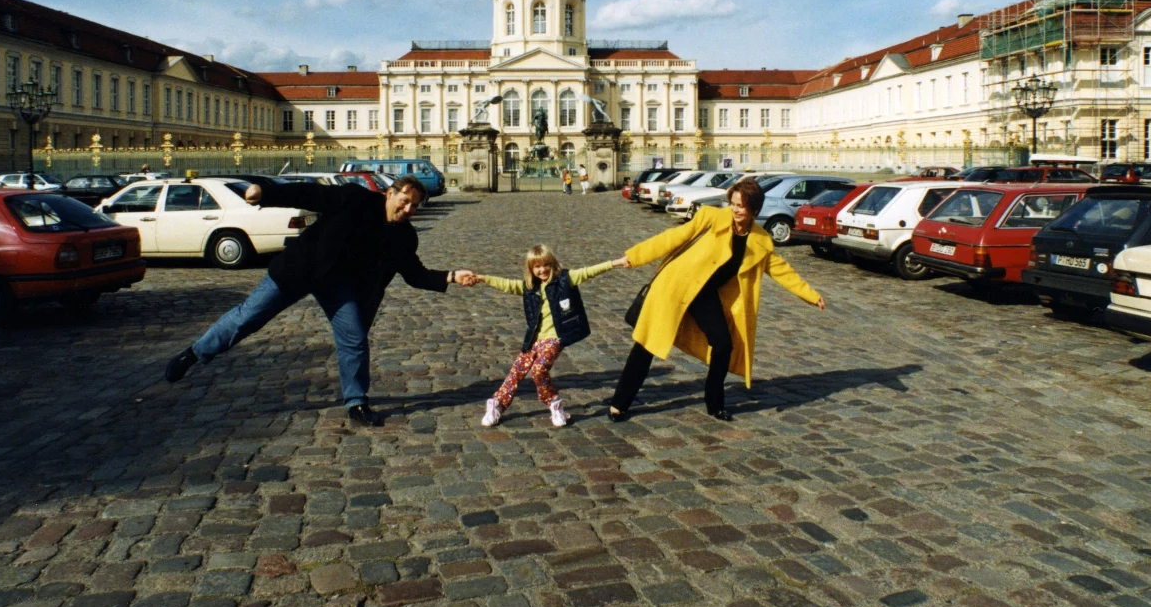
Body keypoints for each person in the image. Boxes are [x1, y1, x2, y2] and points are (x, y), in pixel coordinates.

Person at [163, 175, 480, 426]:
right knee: (248, 317)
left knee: (354, 337)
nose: (409, 209)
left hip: (338, 285)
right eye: (405, 201)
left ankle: (356, 402)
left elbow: (415, 274)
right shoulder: (355, 198)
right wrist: (266, 192)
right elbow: (309, 193)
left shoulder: (405, 236)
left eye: (415, 206)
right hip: (300, 269)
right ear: (390, 194)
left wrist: (452, 276)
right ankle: (194, 353)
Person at [608, 177, 826, 423]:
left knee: (723, 344)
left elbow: (781, 270)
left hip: (705, 294)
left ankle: (715, 404)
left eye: (741, 206)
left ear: (754, 209)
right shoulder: (711, 218)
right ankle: (619, 404)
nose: (735, 209)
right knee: (647, 344)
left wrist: (810, 295)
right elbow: (673, 237)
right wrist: (634, 257)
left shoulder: (760, 241)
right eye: (733, 203)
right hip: (676, 287)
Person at [476, 245, 630, 428]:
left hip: (555, 338)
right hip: (534, 338)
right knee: (516, 372)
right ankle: (497, 404)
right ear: (530, 269)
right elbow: (507, 284)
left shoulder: (565, 280)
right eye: (537, 266)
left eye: (546, 265)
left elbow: (589, 271)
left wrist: (617, 262)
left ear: (552, 264)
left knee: (539, 370)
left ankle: (554, 403)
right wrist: (482, 278)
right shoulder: (530, 287)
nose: (542, 270)